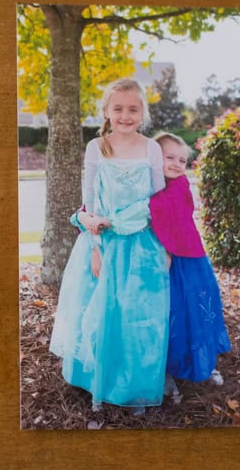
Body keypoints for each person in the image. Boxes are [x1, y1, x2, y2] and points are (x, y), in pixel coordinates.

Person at [49, 78, 170, 414]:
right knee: (100, 311)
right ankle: (98, 378)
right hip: (103, 242)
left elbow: (159, 202)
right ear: (106, 111)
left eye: (133, 109)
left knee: (138, 312)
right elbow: (89, 202)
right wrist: (96, 246)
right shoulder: (96, 148)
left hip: (142, 243)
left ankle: (134, 383)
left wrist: (165, 247)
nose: (125, 115)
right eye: (118, 108)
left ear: (143, 113)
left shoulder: (151, 148)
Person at [149, 132, 231, 386]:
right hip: (164, 260)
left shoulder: (179, 185)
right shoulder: (149, 183)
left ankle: (204, 364)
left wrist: (138, 206)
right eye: (169, 157)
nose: (176, 164)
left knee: (197, 309)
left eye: (182, 160)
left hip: (188, 258)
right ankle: (168, 366)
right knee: (171, 313)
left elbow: (163, 206)